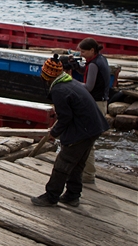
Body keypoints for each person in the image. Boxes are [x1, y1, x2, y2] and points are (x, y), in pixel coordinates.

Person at [31, 54, 108, 207]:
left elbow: (65, 117)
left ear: (47, 77)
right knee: (78, 163)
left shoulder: (59, 90)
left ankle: (51, 196)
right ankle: (73, 195)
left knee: (63, 163)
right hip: (94, 126)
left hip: (83, 129)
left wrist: (54, 132)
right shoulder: (69, 81)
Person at [76, 37, 111, 184]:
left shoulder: (94, 65)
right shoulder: (101, 59)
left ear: (92, 50)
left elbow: (89, 86)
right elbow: (88, 72)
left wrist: (71, 83)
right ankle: (86, 172)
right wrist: (76, 67)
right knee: (89, 138)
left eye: (83, 51)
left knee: (87, 140)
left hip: (95, 104)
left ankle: (88, 174)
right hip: (102, 102)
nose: (81, 54)